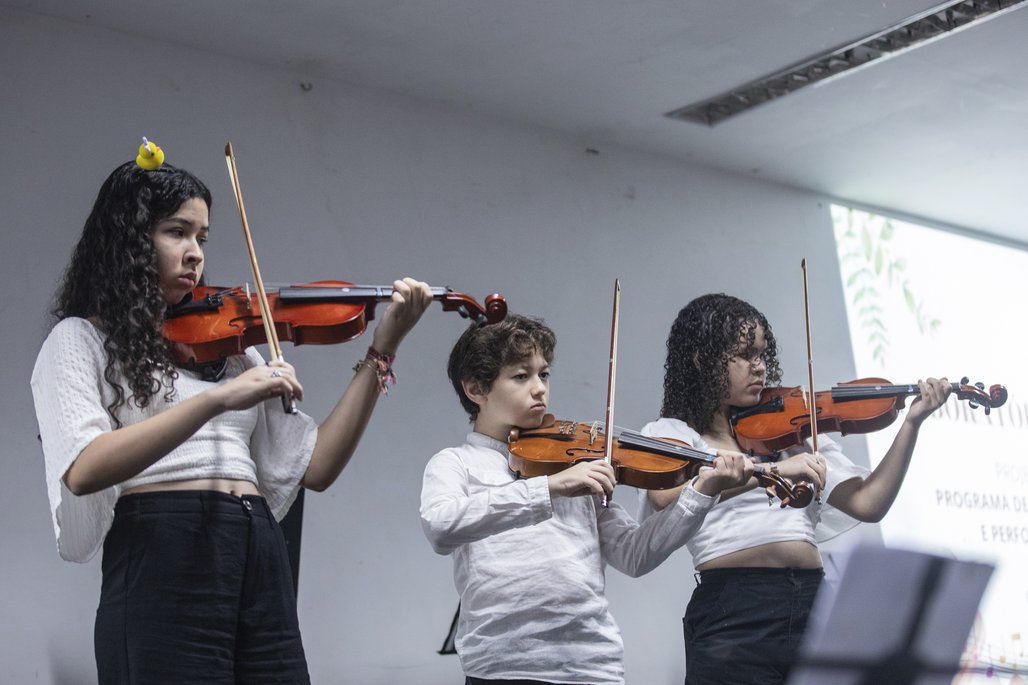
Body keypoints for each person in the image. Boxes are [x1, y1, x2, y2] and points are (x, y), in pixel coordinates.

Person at [31, 145, 433, 683]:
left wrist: (383, 348)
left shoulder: (235, 349)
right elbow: (84, 469)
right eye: (176, 232)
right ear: (129, 241)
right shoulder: (81, 338)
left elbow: (315, 468)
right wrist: (217, 399)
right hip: (164, 547)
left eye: (201, 237)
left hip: (257, 546)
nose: (195, 252)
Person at [420, 313, 754, 685]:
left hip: (592, 666)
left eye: (543, 374)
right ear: (475, 390)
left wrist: (701, 493)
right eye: (521, 376)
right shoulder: (457, 463)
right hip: (503, 669)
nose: (539, 389)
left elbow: (633, 554)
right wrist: (550, 488)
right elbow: (441, 526)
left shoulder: (578, 464)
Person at [638, 293, 952, 685]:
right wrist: (771, 470)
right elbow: (668, 497)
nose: (760, 367)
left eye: (763, 354)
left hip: (813, 601)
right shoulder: (673, 435)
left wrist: (911, 424)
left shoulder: (789, 432)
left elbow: (868, 502)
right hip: (734, 611)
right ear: (704, 360)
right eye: (744, 355)